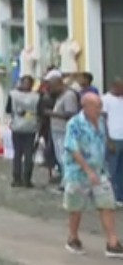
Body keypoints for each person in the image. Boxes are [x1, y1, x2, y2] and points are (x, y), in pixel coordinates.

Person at [62, 92, 123, 256]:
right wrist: (87, 170)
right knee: (76, 207)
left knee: (107, 204)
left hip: (100, 171)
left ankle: (112, 242)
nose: (100, 109)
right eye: (97, 106)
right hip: (78, 172)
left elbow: (102, 139)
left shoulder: (101, 122)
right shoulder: (74, 124)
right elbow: (72, 148)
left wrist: (109, 146)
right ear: (86, 106)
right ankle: (73, 237)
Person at [7, 75, 40, 188]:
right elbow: (40, 112)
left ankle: (17, 179)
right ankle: (27, 179)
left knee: (17, 153)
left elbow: (8, 109)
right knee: (29, 154)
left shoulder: (13, 95)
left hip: (17, 126)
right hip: (31, 127)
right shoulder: (36, 97)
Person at [50, 75, 81, 189]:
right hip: (57, 130)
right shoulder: (60, 96)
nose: (51, 90)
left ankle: (69, 182)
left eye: (52, 87)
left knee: (65, 158)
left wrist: (52, 114)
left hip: (64, 130)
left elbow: (71, 114)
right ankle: (65, 180)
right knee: (60, 157)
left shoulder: (69, 96)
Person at [103, 79, 123, 207]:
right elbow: (102, 120)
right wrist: (108, 139)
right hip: (113, 138)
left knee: (121, 169)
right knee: (112, 169)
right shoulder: (106, 99)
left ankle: (120, 196)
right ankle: (111, 196)